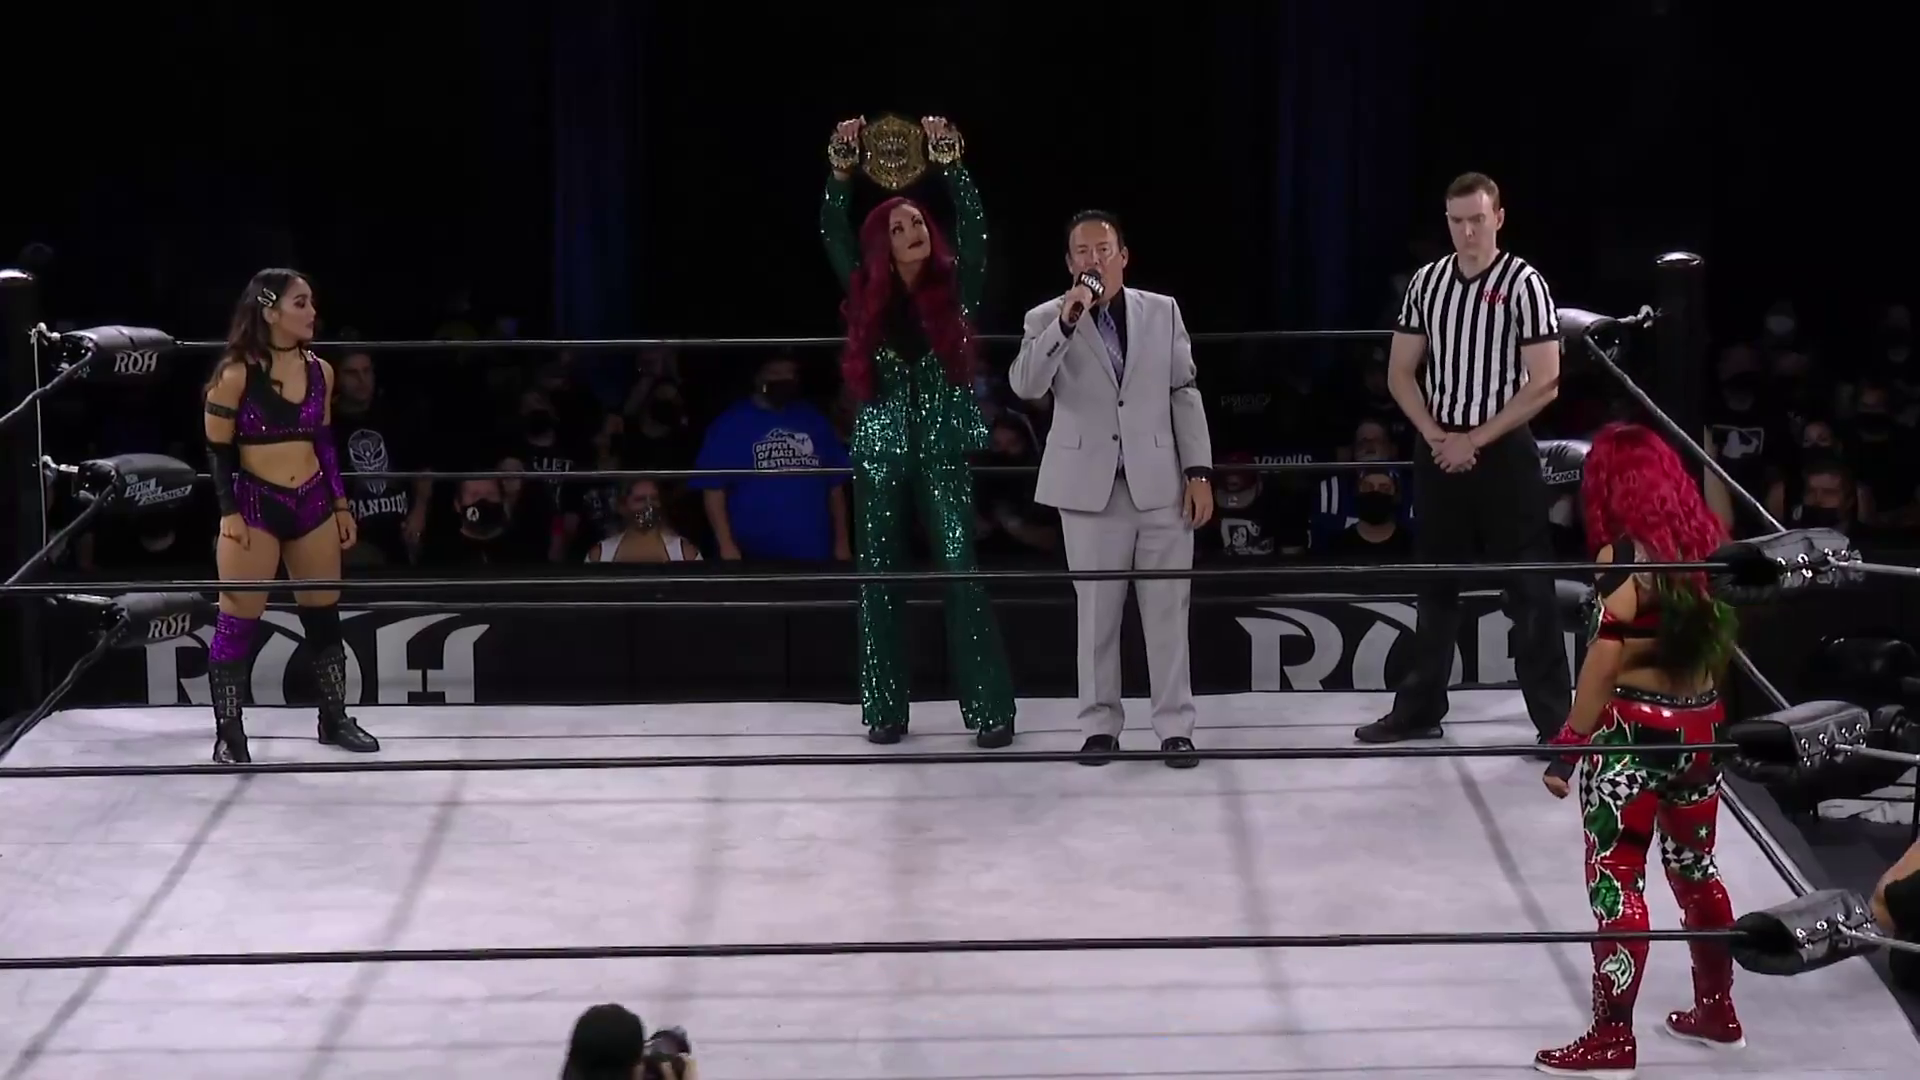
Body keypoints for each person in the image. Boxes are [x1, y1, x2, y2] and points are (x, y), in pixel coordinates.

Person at [1534, 422, 1743, 1075]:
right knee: (1695, 866)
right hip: (1702, 727)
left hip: (1633, 736)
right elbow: (1722, 642)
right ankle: (1718, 1011)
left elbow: (1604, 661)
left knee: (1617, 876)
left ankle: (1612, 1038)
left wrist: (1569, 745)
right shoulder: (1707, 546)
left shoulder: (1624, 557)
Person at [1356, 172, 1572, 749]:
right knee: (1434, 583)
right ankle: (1419, 708)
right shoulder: (1427, 283)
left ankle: (1557, 724)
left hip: (1503, 449)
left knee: (1529, 588)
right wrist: (1436, 435)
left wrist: (1473, 439)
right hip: (1439, 446)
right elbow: (1400, 372)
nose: (1468, 231)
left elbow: (1546, 381)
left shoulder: (1524, 282)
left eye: (1478, 219)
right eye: (1457, 221)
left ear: (1498, 218)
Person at [821, 114, 1016, 748]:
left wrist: (953, 165)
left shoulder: (957, 288)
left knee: (960, 568)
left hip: (941, 446)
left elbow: (977, 233)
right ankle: (885, 708)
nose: (912, 233)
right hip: (880, 447)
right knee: (878, 575)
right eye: (899, 227)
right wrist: (841, 171)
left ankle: (990, 708)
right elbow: (832, 231)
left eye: (919, 224)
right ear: (881, 244)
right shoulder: (864, 290)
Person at [1009, 210, 1215, 767]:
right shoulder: (1047, 317)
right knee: (1097, 614)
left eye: (1103, 250)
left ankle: (1175, 727)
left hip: (1160, 483)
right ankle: (1100, 726)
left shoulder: (1162, 311)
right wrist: (1066, 322)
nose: (1093, 260)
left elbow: (1184, 390)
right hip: (1089, 490)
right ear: (1069, 263)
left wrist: (1198, 471)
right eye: (1082, 252)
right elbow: (1026, 384)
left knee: (1168, 611)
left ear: (1123, 256)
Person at [201, 269, 380, 763]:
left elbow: (324, 441)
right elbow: (217, 450)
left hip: (313, 501)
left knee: (323, 614)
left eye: (311, 302)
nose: (312, 312)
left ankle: (334, 717)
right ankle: (229, 733)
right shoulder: (235, 374)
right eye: (301, 303)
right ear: (270, 310)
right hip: (255, 504)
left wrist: (340, 503)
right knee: (237, 619)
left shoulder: (321, 371)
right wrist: (229, 512)